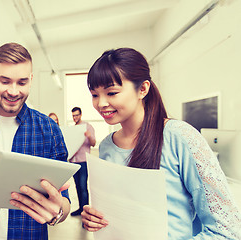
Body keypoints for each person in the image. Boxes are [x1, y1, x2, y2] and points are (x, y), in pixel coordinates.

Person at [81, 48, 241, 239]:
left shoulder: (179, 137)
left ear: (143, 89)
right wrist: (95, 219)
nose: (101, 104)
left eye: (112, 92)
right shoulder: (107, 145)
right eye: (94, 95)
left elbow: (227, 229)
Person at [0, 42, 70, 240]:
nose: (13, 92)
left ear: (30, 80)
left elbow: (64, 202)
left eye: (21, 83)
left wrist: (58, 212)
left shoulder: (48, 129)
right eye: (5, 81)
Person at [69, 107, 95, 216]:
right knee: (77, 187)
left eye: (77, 115)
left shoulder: (88, 127)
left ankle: (86, 212)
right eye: (73, 116)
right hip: (74, 162)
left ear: (81, 115)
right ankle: (81, 209)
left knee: (83, 186)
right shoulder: (73, 129)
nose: (75, 117)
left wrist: (89, 136)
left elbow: (93, 143)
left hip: (83, 162)